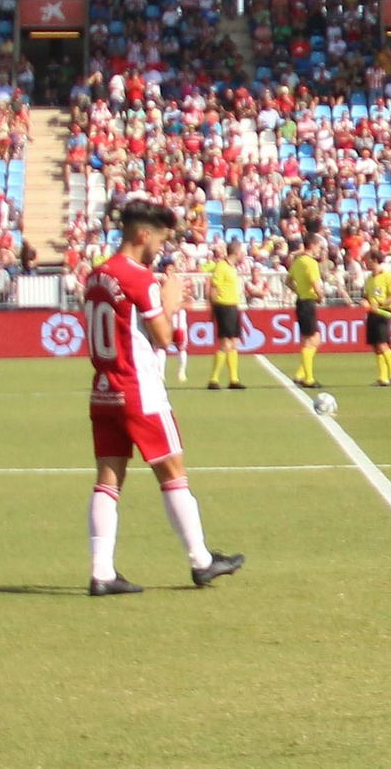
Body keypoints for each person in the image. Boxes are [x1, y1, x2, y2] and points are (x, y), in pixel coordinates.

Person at [84, 200, 244, 596]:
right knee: (173, 472)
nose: (162, 247)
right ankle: (201, 561)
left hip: (103, 388)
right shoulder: (138, 277)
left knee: (108, 480)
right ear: (143, 235)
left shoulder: (96, 275)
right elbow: (163, 336)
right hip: (139, 389)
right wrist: (171, 302)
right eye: (160, 238)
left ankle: (101, 572)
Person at [286, 233, 325, 389]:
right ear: (313, 245)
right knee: (312, 341)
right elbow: (316, 284)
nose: (319, 250)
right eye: (318, 247)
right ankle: (308, 378)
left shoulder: (298, 262)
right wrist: (320, 296)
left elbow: (288, 281)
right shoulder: (311, 263)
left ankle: (301, 373)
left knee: (308, 340)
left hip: (301, 301)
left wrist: (298, 291)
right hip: (308, 303)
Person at [206, 241, 245, 390]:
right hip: (224, 307)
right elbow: (214, 287)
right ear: (235, 252)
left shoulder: (232, 267)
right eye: (241, 251)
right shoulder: (222, 266)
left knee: (234, 342)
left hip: (233, 307)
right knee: (225, 343)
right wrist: (213, 308)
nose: (242, 254)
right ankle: (214, 379)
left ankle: (233, 379)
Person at [363, 250, 391, 386]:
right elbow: (367, 296)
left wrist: (380, 303)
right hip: (372, 314)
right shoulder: (370, 279)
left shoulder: (388, 276)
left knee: (383, 345)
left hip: (383, 313)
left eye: (367, 259)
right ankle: (383, 378)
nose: (365, 262)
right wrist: (365, 302)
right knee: (375, 346)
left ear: (374, 260)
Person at [156, 257, 189, 384]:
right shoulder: (159, 283)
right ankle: (161, 373)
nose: (169, 270)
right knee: (162, 346)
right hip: (165, 318)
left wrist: (179, 305)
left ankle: (181, 371)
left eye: (171, 267)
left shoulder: (180, 282)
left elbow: (188, 300)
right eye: (167, 267)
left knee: (181, 346)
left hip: (178, 318)